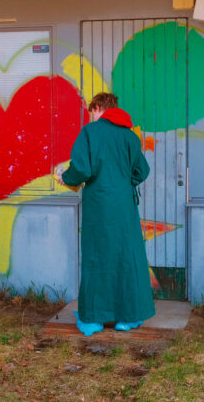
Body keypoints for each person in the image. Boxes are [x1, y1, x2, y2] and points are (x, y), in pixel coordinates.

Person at [58, 92, 155, 336]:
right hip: (124, 207)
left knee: (97, 257)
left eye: (92, 110)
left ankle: (93, 319)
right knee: (126, 257)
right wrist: (124, 182)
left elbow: (81, 168)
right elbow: (142, 170)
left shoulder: (90, 132)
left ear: (99, 108)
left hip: (98, 206)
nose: (91, 115)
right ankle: (127, 318)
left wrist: (65, 177)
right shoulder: (130, 137)